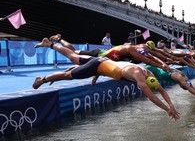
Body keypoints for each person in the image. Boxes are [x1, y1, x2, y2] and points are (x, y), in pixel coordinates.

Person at [32, 47, 180, 120]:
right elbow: (152, 97)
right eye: (145, 85)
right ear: (145, 81)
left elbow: (161, 90)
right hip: (96, 66)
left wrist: (171, 105)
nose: (143, 86)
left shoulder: (147, 72)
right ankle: (42, 80)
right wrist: (167, 109)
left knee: (72, 55)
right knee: (67, 76)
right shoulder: (138, 76)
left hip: (102, 62)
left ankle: (51, 44)